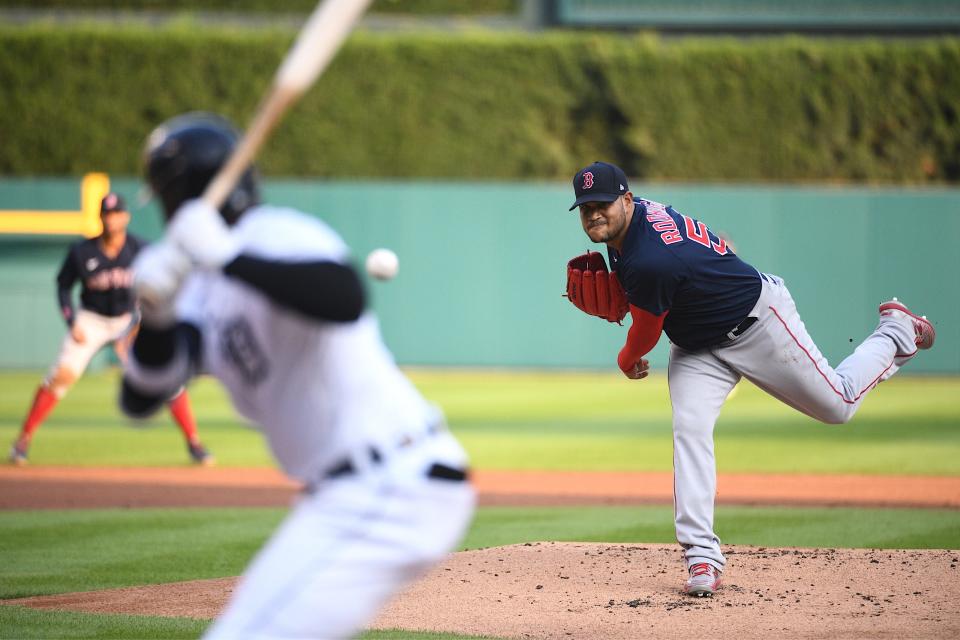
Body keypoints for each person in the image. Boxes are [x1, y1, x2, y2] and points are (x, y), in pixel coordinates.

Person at [122, 112, 475, 639]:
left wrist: (226, 255)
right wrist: (157, 318)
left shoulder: (277, 233)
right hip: (340, 496)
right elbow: (143, 395)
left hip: (387, 481)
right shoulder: (193, 285)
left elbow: (343, 297)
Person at [564, 161, 935, 598]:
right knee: (690, 429)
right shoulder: (636, 220)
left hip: (758, 324)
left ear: (626, 199)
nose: (593, 215)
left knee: (838, 405)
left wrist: (627, 360)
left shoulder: (649, 260)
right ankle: (701, 554)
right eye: (585, 207)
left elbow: (644, 334)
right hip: (697, 346)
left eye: (601, 204)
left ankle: (896, 331)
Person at [9, 192, 213, 466]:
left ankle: (194, 443)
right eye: (107, 214)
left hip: (128, 319)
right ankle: (23, 440)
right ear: (100, 218)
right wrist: (71, 321)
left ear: (125, 217)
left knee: (165, 376)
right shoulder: (81, 252)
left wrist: (137, 325)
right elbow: (63, 286)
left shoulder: (140, 249)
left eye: (116, 213)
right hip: (91, 319)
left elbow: (156, 289)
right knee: (61, 376)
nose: (112, 219)